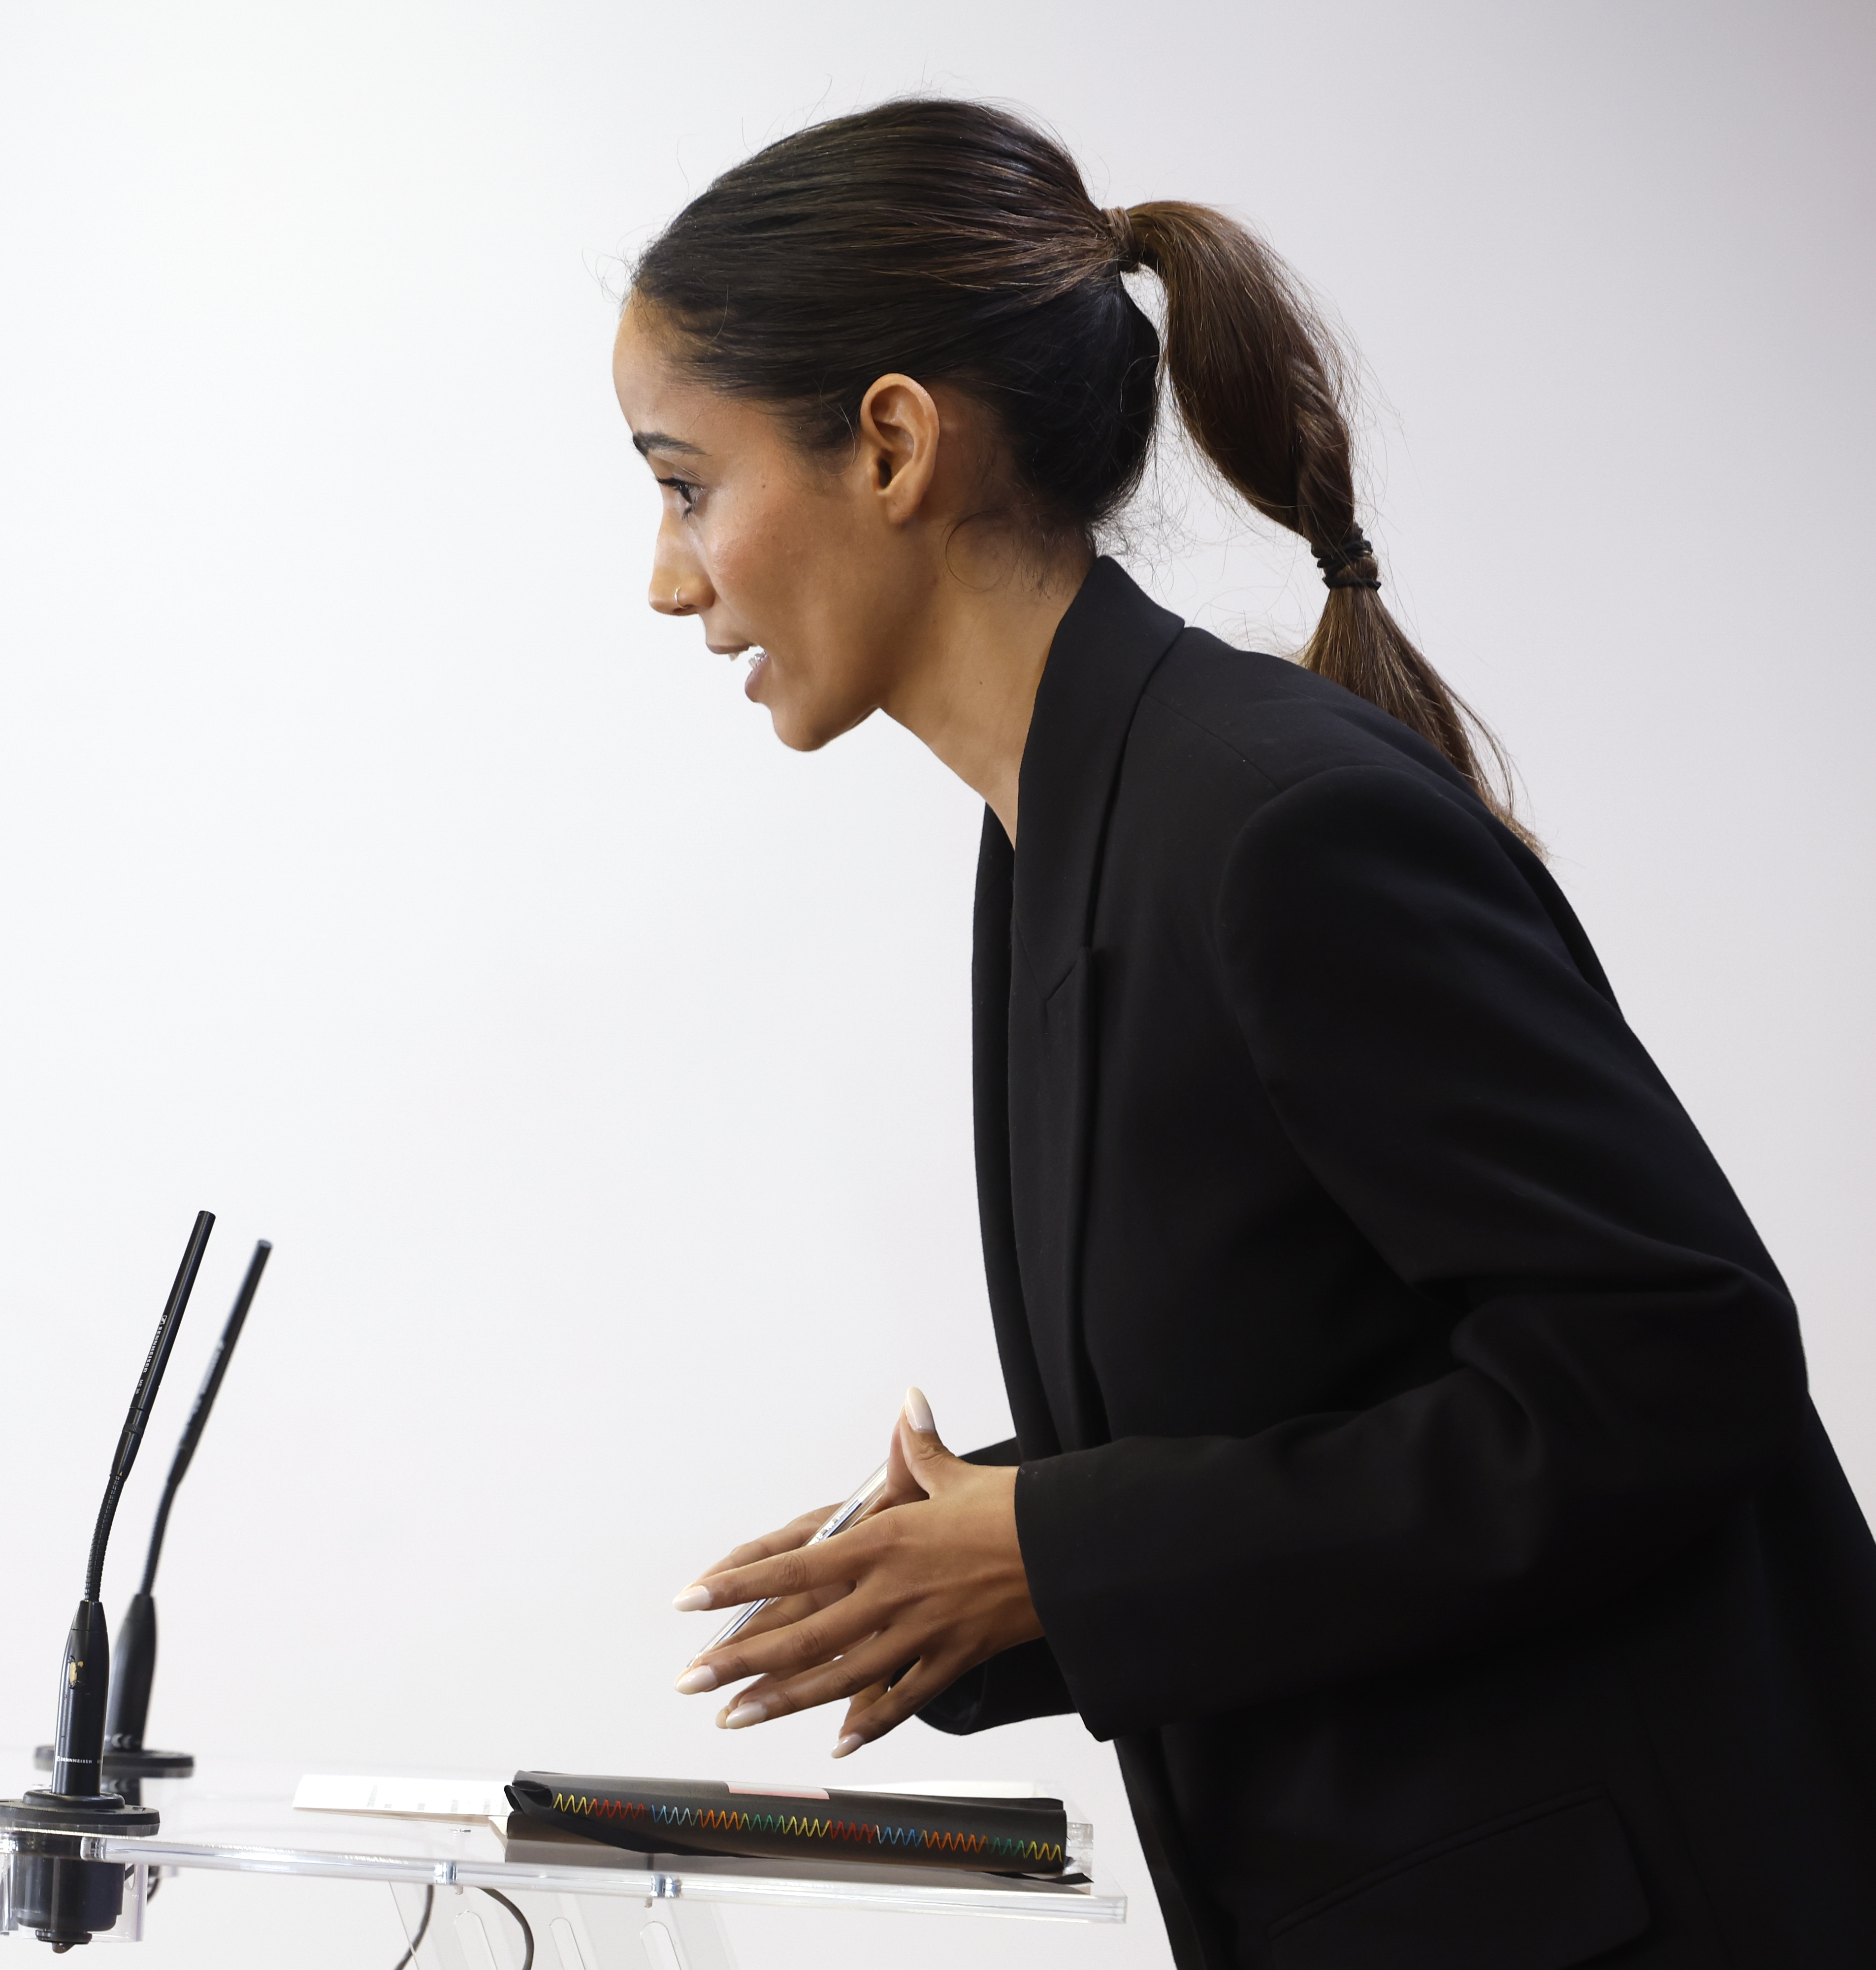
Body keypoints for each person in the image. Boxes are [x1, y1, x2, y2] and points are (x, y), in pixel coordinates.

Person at [623, 98, 1876, 1969]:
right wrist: (973, 1568)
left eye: (683, 481)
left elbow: (1668, 1364)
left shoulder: (1274, 823)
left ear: (892, 444)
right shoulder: (1059, 832)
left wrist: (1059, 1550)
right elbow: (1308, 1407)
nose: (669, 576)